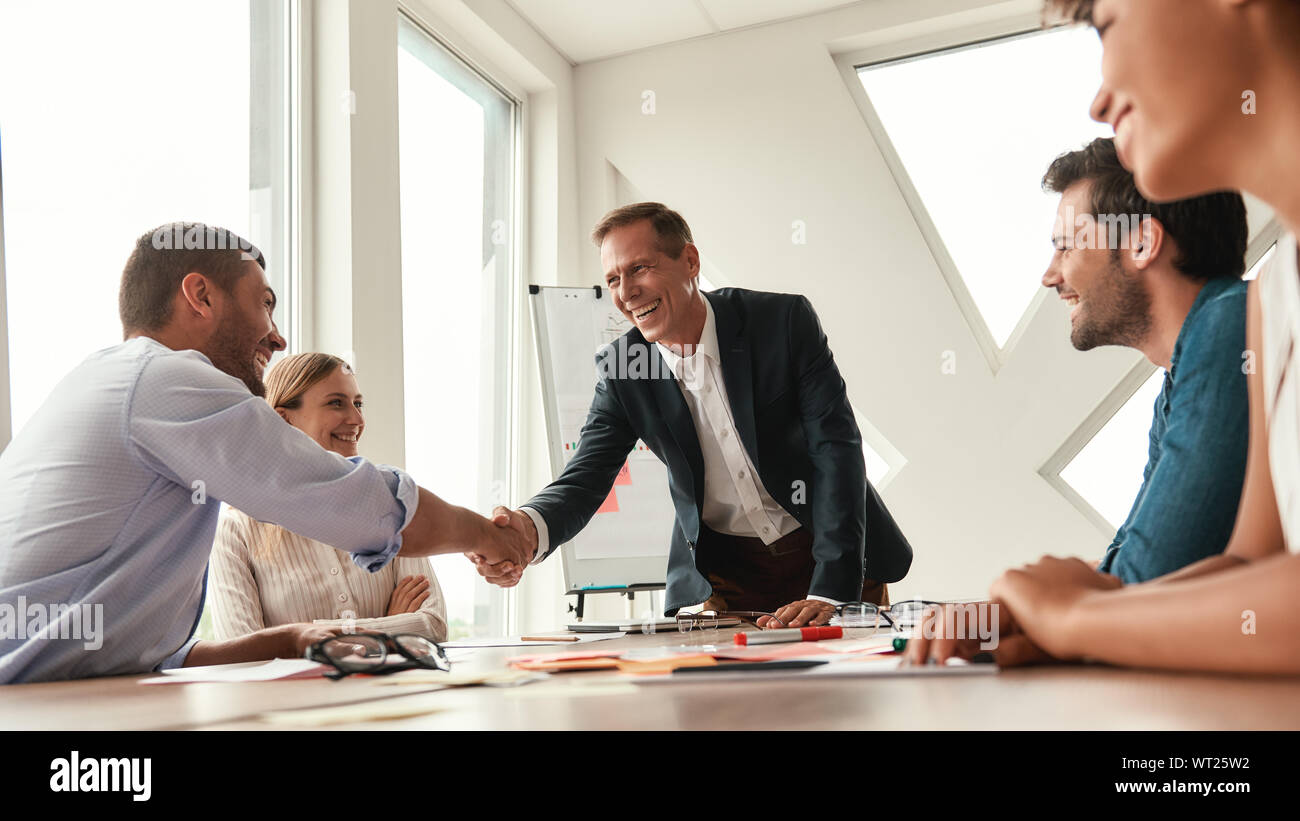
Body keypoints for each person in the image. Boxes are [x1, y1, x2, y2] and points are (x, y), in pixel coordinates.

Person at [908, 0, 1300, 673]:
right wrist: (1060, 618)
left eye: (1104, 24)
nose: (1097, 99)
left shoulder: (1231, 319)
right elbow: (1246, 566)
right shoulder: (1274, 299)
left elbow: (1149, 578)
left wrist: (1077, 616)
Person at [0, 223, 528, 683]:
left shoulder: (110, 382)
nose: (277, 338)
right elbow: (362, 506)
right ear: (200, 296)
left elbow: (140, 656)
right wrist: (485, 535)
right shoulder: (167, 379)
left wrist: (296, 639)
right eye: (265, 304)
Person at [475, 202, 913, 628]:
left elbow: (836, 451)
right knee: (732, 701)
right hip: (730, 580)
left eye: (639, 269)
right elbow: (585, 477)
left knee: (849, 695)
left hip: (833, 554)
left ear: (690, 261)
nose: (626, 293)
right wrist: (527, 530)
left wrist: (830, 591)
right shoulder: (624, 366)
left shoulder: (781, 322)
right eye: (613, 279)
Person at [1042, 137, 1249, 583]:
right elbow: (1128, 568)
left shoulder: (1231, 324)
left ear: (1141, 243)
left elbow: (1149, 576)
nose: (1050, 275)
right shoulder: (1180, 374)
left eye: (1066, 246)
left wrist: (1045, 606)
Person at [208, 353, 448, 643]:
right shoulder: (236, 530)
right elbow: (241, 651)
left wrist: (312, 638)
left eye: (358, 403)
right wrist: (387, 626)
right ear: (284, 419)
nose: (357, 419)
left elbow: (433, 624)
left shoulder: (387, 505)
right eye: (336, 403)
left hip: (391, 689)